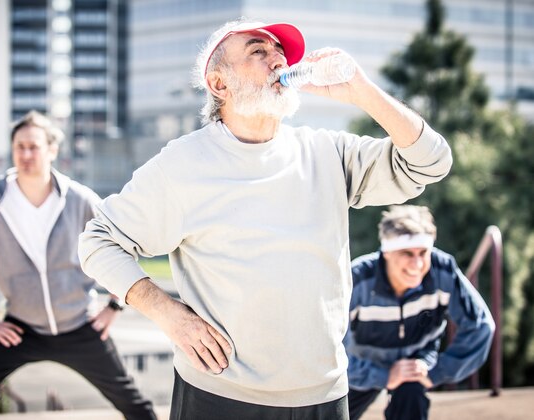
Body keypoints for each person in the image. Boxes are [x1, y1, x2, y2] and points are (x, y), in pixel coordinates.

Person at [78, 18, 453, 420]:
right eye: (258, 51)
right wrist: (168, 314)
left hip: (324, 392)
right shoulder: (183, 164)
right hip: (218, 392)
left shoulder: (326, 151)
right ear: (219, 85)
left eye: (279, 52)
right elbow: (98, 240)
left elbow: (430, 163)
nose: (277, 59)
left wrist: (361, 91)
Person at [0, 111, 156, 420]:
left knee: (135, 405)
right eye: (19, 146)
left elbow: (123, 245)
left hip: (79, 326)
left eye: (33, 146)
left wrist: (114, 306)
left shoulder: (79, 199)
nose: (25, 154)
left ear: (52, 150)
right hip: (22, 328)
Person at [345, 205, 495, 420]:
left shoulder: (443, 270)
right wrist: (382, 376)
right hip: (363, 365)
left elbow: (480, 326)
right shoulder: (357, 279)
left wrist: (437, 372)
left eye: (423, 253)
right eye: (407, 253)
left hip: (416, 365)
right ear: (386, 252)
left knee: (411, 394)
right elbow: (331, 345)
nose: (417, 263)